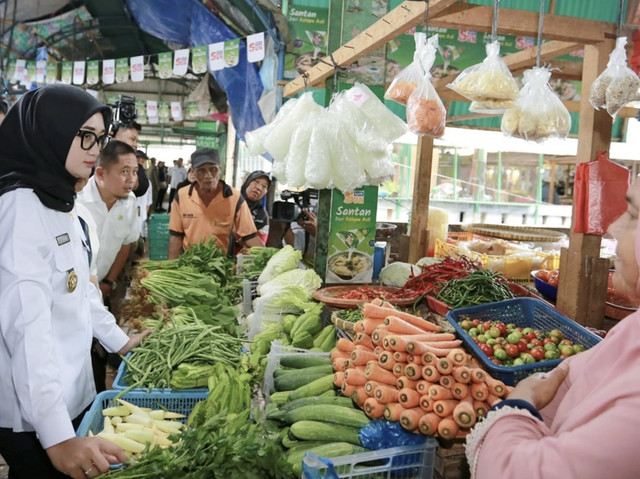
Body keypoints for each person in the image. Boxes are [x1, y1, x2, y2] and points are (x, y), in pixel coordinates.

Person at [0, 84, 149, 479]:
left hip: (72, 390)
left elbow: (81, 291)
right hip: (34, 413)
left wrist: (120, 342)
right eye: (83, 135)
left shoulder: (63, 204)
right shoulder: (20, 208)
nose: (93, 147)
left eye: (99, 139)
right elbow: (26, 328)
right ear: (47, 131)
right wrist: (57, 438)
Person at [466, 175, 640, 479]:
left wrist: (518, 406)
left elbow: (518, 473)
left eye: (635, 215)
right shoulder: (632, 329)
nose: (614, 227)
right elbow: (568, 377)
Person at [168, 148, 263, 259]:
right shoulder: (182, 195)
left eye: (213, 169)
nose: (208, 175)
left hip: (221, 265)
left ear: (220, 169)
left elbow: (249, 236)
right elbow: (176, 237)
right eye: (202, 170)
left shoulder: (234, 197)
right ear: (193, 172)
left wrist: (268, 256)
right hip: (189, 264)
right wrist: (170, 266)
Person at [77, 140, 140, 301]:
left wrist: (108, 282)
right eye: (124, 171)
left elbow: (125, 244)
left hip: (105, 284)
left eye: (135, 171)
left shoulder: (130, 203)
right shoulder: (77, 202)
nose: (131, 179)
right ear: (100, 174)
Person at [110, 121, 149, 198]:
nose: (135, 144)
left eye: (137, 141)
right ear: (115, 137)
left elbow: (142, 187)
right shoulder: (98, 159)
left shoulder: (137, 167)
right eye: (132, 139)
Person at [240, 170, 271, 245]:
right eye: (256, 181)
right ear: (247, 183)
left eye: (264, 186)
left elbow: (258, 248)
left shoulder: (262, 216)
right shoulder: (231, 202)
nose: (259, 188)